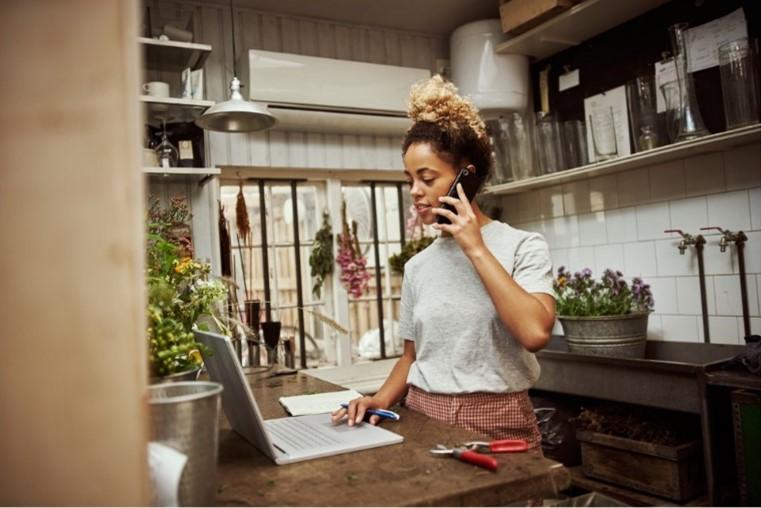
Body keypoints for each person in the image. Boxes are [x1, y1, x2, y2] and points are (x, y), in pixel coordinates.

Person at [331, 75, 556, 448]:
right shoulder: (418, 267)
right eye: (410, 178)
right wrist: (380, 398)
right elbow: (412, 358)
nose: (415, 191)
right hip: (423, 416)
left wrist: (475, 248)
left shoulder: (523, 247)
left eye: (427, 178)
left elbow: (535, 334)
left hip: (499, 421)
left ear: (465, 178)